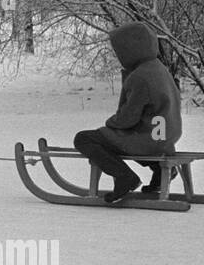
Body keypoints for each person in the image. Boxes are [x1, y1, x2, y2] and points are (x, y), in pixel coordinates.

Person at [72, 22, 183, 203]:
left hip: (148, 138)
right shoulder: (160, 69)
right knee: (125, 138)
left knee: (84, 138)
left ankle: (124, 177)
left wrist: (111, 124)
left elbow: (127, 118)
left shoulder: (140, 76)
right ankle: (159, 171)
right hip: (165, 138)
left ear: (130, 49)